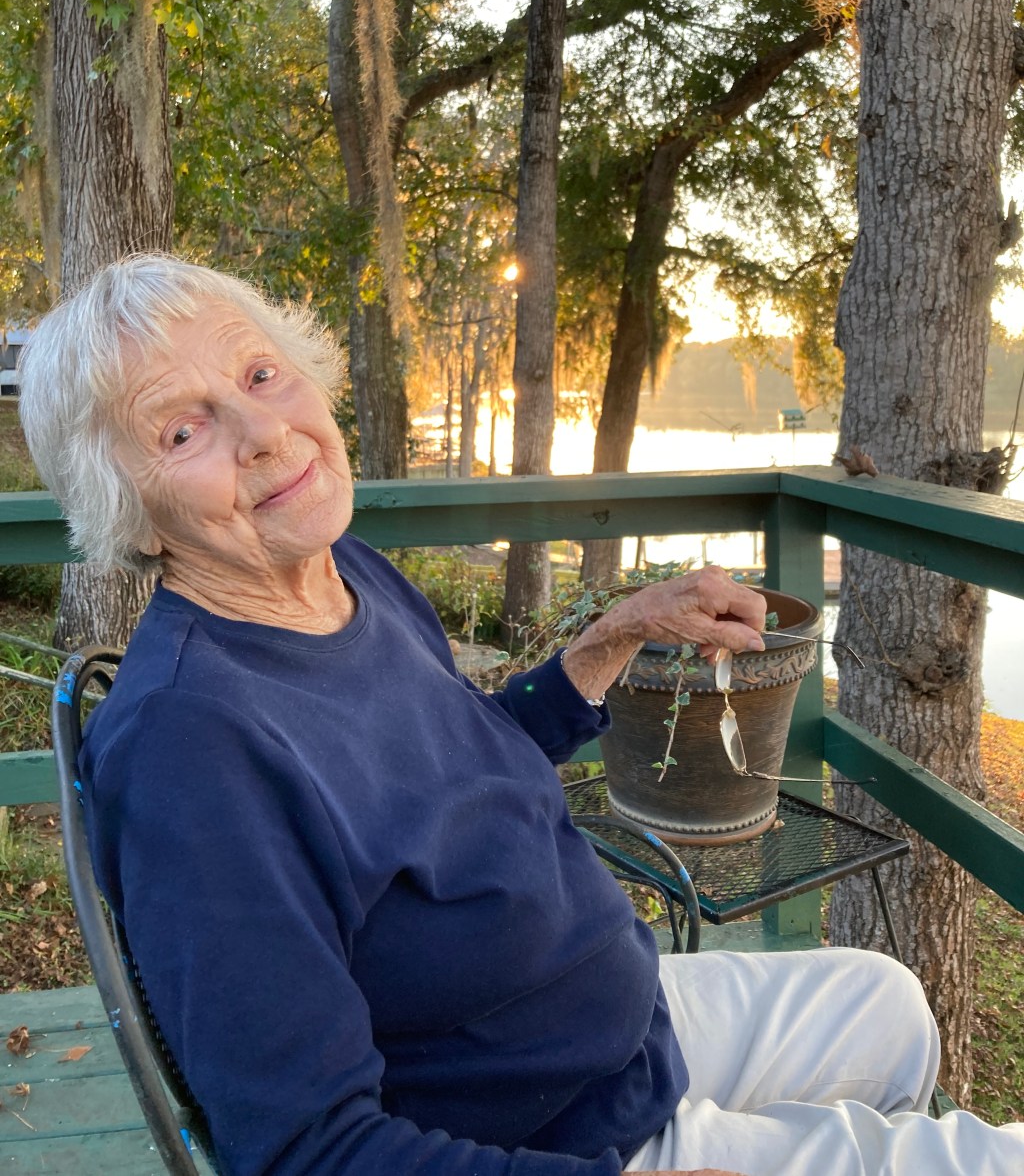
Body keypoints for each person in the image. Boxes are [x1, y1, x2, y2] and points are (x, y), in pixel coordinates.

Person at [18, 255, 1024, 1176]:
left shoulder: (343, 574)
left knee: (890, 1006)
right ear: (127, 508)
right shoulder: (191, 751)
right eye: (181, 430)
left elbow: (459, 757)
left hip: (615, 1034)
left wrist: (611, 639)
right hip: (549, 1138)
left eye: (259, 375)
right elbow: (307, 1151)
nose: (264, 434)